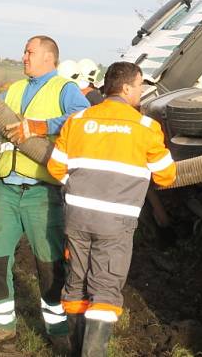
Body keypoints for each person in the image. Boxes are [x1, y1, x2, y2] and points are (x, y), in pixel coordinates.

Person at [47, 61, 176, 356]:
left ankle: (73, 349)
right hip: (115, 222)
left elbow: (56, 168)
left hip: (77, 216)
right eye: (140, 85)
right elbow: (166, 176)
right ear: (128, 87)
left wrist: (79, 187)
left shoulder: (79, 120)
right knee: (105, 289)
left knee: (76, 282)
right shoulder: (145, 127)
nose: (141, 92)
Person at [0, 36, 90, 353]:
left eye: (30, 52)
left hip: (41, 192)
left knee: (49, 266)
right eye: (25, 51)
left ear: (48, 57)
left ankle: (58, 332)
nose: (24, 56)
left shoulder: (64, 89)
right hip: (6, 190)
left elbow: (82, 119)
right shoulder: (14, 89)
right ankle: (2, 327)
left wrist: (42, 126)